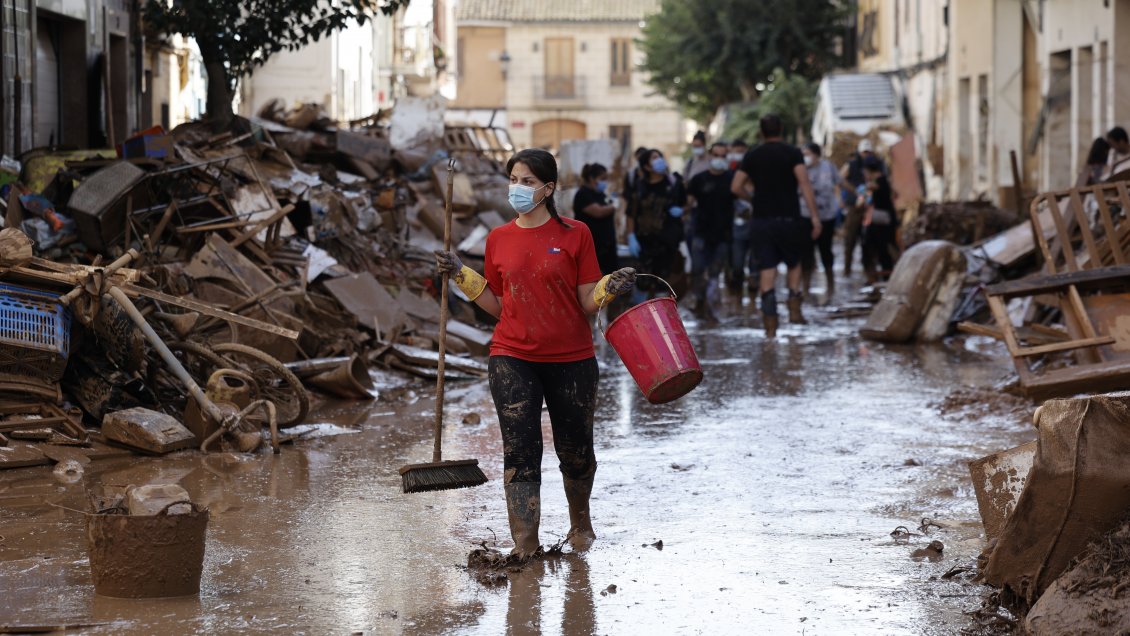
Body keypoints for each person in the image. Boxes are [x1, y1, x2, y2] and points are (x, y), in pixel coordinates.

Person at [434, 148, 636, 557]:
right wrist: (460, 274)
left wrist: (608, 289)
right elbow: (497, 303)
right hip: (512, 355)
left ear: (548, 188)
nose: (517, 188)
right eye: (513, 179)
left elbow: (585, 302)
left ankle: (581, 524)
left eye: (526, 181)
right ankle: (525, 544)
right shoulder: (499, 238)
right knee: (521, 449)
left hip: (572, 358)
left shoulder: (576, 234)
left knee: (575, 450)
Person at [730, 114, 820, 337]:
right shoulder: (792, 153)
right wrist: (815, 217)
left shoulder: (752, 155)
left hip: (761, 221)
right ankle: (794, 307)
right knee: (794, 263)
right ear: (781, 129)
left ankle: (770, 327)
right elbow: (804, 183)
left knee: (767, 270)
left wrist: (752, 199)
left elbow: (735, 187)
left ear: (761, 132)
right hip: (789, 219)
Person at [627, 148, 686, 297]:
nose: (659, 159)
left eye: (660, 156)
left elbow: (686, 203)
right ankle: (641, 314)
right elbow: (631, 213)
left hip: (667, 241)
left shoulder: (674, 184)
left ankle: (662, 315)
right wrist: (630, 236)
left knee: (663, 282)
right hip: (644, 241)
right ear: (646, 166)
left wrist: (682, 210)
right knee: (642, 282)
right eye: (654, 158)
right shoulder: (639, 187)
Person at [686, 142, 735, 319]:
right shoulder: (698, 179)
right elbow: (688, 203)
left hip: (723, 233)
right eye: (716, 155)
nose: (720, 159)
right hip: (700, 232)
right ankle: (700, 303)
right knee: (697, 271)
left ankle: (712, 308)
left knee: (715, 273)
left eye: (723, 156)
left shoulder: (732, 179)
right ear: (710, 156)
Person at [799, 142, 840, 299]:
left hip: (826, 216)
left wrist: (855, 194)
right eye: (803, 154)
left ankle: (831, 287)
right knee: (806, 252)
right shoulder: (799, 169)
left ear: (817, 155)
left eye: (808, 153)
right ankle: (805, 288)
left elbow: (839, 182)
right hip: (805, 215)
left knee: (826, 251)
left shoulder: (828, 167)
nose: (805, 157)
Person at [840, 140, 884, 276]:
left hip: (870, 209)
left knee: (870, 242)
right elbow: (840, 178)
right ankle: (847, 269)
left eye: (868, 152)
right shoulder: (852, 165)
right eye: (864, 152)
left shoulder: (877, 166)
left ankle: (870, 271)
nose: (866, 155)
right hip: (855, 207)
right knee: (850, 240)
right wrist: (854, 191)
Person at [574, 163, 618, 275]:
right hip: (593, 248)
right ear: (591, 178)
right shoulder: (583, 194)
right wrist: (614, 206)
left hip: (607, 247)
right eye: (602, 179)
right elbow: (598, 212)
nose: (605, 182)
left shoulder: (601, 194)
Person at [860, 156, 900, 280]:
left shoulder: (878, 181)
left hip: (883, 222)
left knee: (883, 250)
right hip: (884, 220)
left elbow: (869, 190)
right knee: (884, 249)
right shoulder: (883, 180)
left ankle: (885, 276)